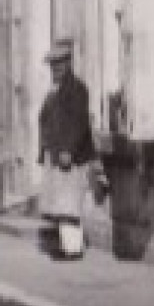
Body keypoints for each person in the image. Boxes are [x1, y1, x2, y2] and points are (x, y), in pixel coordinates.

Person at [37, 38, 96, 260]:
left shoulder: (77, 89)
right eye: (52, 65)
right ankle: (67, 245)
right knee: (60, 204)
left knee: (69, 204)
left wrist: (68, 150)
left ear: (68, 64)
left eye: (59, 64)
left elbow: (79, 124)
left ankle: (73, 249)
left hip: (69, 157)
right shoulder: (55, 91)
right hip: (56, 155)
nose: (55, 68)